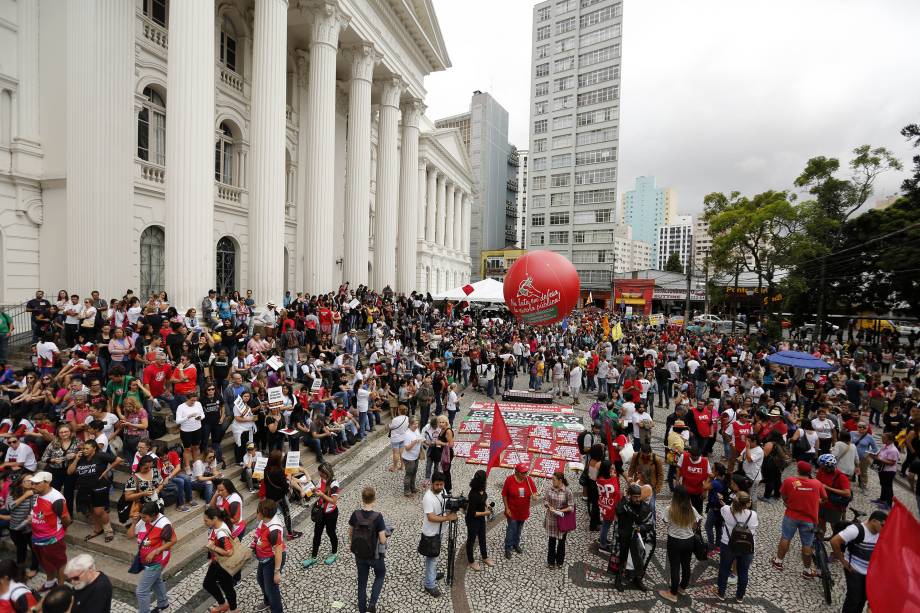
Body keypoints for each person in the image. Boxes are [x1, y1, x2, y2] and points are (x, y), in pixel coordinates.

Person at [771, 461, 827, 578]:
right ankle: (807, 570)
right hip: (809, 519)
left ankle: (778, 561)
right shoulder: (817, 484)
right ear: (810, 472)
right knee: (807, 544)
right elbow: (825, 499)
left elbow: (783, 495)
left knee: (786, 537)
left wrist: (787, 502)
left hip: (791, 516)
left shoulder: (789, 481)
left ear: (798, 470)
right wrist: (816, 502)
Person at [830, 510, 887, 613]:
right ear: (874, 521)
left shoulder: (881, 533)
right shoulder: (855, 530)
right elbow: (834, 541)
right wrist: (842, 560)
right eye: (883, 525)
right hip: (854, 570)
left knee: (862, 599)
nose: (884, 528)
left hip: (870, 573)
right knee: (854, 599)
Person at [68, 440, 122, 543]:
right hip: (84, 488)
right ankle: (98, 529)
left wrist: (106, 470)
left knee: (99, 511)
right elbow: (69, 472)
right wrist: (76, 459)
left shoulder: (100, 455)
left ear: (94, 448)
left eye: (87, 448)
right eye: (83, 448)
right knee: (91, 510)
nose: (84, 450)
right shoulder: (81, 458)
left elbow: (118, 459)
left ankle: (108, 530)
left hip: (99, 487)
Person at [127, 501, 175, 613]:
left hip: (157, 561)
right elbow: (129, 536)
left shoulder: (164, 524)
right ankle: (164, 604)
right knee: (156, 581)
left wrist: (156, 551)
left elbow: (173, 540)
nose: (142, 519)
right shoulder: (143, 520)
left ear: (154, 515)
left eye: (144, 517)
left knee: (141, 591)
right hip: (146, 560)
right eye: (141, 517)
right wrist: (134, 523)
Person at [349, 486, 389, 613]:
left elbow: (350, 533)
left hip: (359, 554)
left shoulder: (355, 515)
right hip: (374, 556)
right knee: (380, 575)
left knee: (362, 583)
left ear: (362, 498)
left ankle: (362, 610)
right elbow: (382, 540)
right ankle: (372, 603)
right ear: (374, 498)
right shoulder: (378, 517)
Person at [28, 471, 71, 591]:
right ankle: (50, 582)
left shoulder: (56, 499)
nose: (33, 485)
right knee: (45, 561)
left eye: (36, 483)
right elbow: (37, 510)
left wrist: (60, 532)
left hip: (53, 539)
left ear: (47, 483)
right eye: (32, 483)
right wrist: (32, 517)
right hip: (37, 537)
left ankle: (61, 588)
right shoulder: (37, 494)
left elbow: (66, 519)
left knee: (60, 563)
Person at [659, 485, 701, 604]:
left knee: (675, 567)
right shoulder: (691, 509)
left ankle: (672, 593)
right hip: (689, 540)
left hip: (674, 541)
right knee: (686, 565)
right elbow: (696, 523)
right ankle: (682, 588)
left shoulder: (670, 509)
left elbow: (665, 521)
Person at [713, 491, 758, 604]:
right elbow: (754, 526)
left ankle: (721, 593)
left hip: (728, 544)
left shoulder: (727, 510)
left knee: (724, 568)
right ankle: (740, 597)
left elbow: (725, 509)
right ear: (747, 504)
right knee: (743, 572)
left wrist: (721, 500)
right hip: (747, 547)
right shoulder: (753, 514)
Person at [420, 472, 457, 598]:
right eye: (437, 484)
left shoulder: (443, 490)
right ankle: (429, 584)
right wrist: (448, 518)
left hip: (439, 531)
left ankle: (433, 574)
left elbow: (445, 505)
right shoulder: (427, 498)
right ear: (431, 483)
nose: (440, 487)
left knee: (435, 555)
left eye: (441, 484)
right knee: (431, 557)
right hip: (431, 533)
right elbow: (430, 517)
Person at [614, 483, 654, 592]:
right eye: (635, 497)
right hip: (625, 537)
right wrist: (624, 499)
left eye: (639, 497)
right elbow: (618, 511)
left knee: (639, 560)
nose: (637, 499)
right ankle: (618, 578)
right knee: (622, 559)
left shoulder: (645, 508)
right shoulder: (624, 505)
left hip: (638, 540)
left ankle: (638, 579)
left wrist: (641, 528)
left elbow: (650, 524)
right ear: (630, 496)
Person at [302, 462, 340, 568]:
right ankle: (313, 557)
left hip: (331, 513)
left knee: (330, 532)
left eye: (320, 473)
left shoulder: (334, 484)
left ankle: (334, 553)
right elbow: (319, 488)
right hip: (321, 512)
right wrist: (314, 490)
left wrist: (322, 495)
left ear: (325, 473)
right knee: (317, 534)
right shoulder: (322, 479)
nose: (319, 475)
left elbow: (333, 501)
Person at [253, 499, 286, 613]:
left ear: (262, 513)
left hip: (271, 560)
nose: (256, 513)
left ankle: (276, 609)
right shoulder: (265, 521)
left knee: (272, 588)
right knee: (261, 579)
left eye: (257, 511)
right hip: (264, 558)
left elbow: (278, 551)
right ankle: (268, 602)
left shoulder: (274, 530)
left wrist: (277, 572)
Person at [501, 462, 537, 559]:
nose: (525, 474)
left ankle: (515, 544)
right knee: (511, 529)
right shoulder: (509, 480)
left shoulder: (529, 480)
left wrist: (535, 496)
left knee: (519, 530)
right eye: (522, 473)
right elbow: (504, 494)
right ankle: (508, 548)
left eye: (526, 472)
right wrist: (506, 507)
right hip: (512, 511)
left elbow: (535, 493)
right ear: (516, 472)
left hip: (523, 512)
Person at [543, 471, 575, 569]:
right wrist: (549, 506)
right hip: (551, 519)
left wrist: (560, 510)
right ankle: (551, 562)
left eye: (554, 480)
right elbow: (545, 500)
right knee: (551, 541)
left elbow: (571, 507)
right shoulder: (549, 489)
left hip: (562, 521)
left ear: (560, 480)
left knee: (561, 542)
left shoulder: (567, 492)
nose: (552, 481)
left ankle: (560, 561)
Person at [815, 453, 851, 538]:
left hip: (834, 507)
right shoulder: (821, 471)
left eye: (823, 466)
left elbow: (847, 493)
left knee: (835, 527)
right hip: (822, 503)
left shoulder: (841, 477)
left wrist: (827, 488)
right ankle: (819, 543)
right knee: (820, 524)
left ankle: (837, 545)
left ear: (829, 466)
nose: (821, 467)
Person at [464, 469, 493, 571]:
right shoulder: (473, 495)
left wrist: (487, 505)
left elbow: (483, 499)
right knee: (471, 540)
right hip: (472, 520)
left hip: (480, 519)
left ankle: (485, 557)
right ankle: (471, 561)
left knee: (482, 538)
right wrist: (486, 513)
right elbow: (472, 513)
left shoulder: (482, 490)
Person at [868, 432, 899, 510]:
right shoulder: (884, 446)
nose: (882, 439)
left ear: (889, 440)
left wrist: (879, 459)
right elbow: (879, 455)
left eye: (883, 438)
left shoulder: (893, 450)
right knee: (883, 485)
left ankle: (888, 504)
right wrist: (874, 455)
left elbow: (892, 462)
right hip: (882, 469)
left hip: (889, 471)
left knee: (888, 487)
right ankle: (882, 500)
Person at [401, 417, 423, 496]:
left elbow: (419, 439)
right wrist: (414, 442)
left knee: (414, 473)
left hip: (415, 456)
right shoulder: (407, 434)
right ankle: (406, 491)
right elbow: (407, 448)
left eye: (417, 423)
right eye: (414, 424)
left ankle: (413, 488)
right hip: (409, 458)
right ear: (410, 424)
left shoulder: (416, 430)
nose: (416, 425)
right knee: (409, 474)